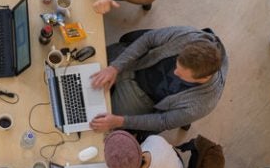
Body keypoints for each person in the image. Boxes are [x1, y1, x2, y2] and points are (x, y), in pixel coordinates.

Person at [89, 26, 227, 135]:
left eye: (181, 74)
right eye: (177, 64)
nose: (175, 72)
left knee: (94, 119)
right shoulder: (189, 37)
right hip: (137, 62)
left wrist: (118, 122)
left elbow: (162, 121)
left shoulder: (200, 105)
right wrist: (114, 67)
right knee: (86, 66)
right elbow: (149, 39)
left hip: (140, 97)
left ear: (204, 78)